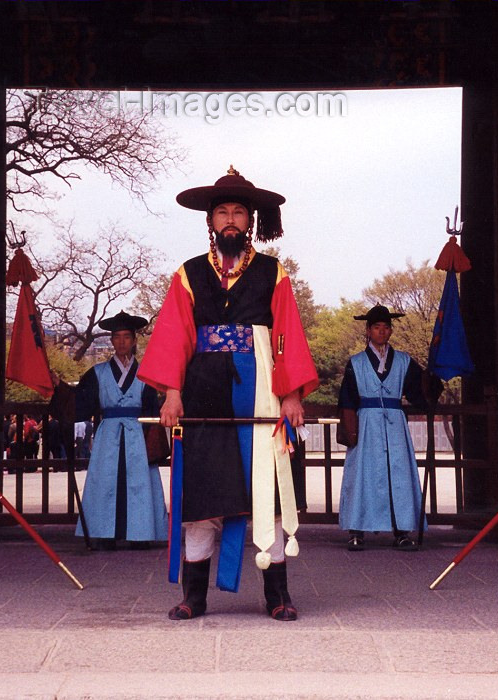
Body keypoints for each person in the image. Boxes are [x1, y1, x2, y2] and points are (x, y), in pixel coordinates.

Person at [137, 166, 319, 621]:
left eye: (239, 211)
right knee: (203, 494)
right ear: (210, 221)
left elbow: (286, 335)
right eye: (223, 213)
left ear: (251, 220)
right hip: (202, 393)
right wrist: (172, 393)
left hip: (260, 389)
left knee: (267, 494)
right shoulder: (189, 273)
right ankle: (194, 596)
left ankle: (277, 595)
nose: (231, 220)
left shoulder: (273, 272)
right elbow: (175, 335)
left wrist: (292, 394)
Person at [51, 311, 169, 550]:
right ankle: (105, 533)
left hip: (138, 433)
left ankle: (140, 532)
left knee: (139, 482)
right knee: (106, 481)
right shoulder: (97, 373)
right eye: (117, 337)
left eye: (127, 336)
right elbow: (80, 404)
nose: (122, 341)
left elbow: (153, 408)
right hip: (108, 435)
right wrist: (59, 387)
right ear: (112, 340)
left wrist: (152, 438)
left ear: (134, 340)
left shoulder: (148, 372)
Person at [337, 305, 442, 552]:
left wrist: (432, 379)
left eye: (386, 328)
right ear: (368, 331)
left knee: (399, 475)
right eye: (376, 328)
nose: (382, 332)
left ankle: (402, 532)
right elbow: (347, 399)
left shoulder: (405, 361)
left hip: (395, 425)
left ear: (391, 331)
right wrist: (351, 430)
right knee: (363, 474)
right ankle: (356, 531)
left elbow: (419, 392)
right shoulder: (357, 363)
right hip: (367, 424)